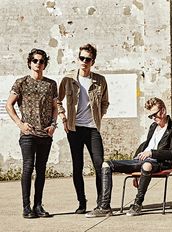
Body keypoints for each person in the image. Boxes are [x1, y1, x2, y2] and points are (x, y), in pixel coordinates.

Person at [85, 97, 172, 217]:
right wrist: (136, 163)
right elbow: (145, 145)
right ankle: (105, 207)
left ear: (163, 111)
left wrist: (152, 153)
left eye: (154, 115)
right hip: (141, 161)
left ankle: (137, 204)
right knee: (106, 165)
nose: (153, 118)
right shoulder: (153, 127)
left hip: (160, 162)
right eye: (150, 116)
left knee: (146, 165)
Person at [5, 49, 58, 218]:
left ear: (45, 64)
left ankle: (38, 206)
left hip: (45, 134)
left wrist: (53, 125)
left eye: (41, 61)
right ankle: (26, 207)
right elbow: (9, 105)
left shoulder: (51, 84)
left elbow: (55, 107)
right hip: (28, 134)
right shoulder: (21, 83)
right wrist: (20, 124)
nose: (38, 64)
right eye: (35, 60)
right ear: (30, 62)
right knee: (28, 168)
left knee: (41, 170)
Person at [57, 43, 109, 214]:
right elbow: (57, 100)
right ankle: (82, 202)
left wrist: (97, 118)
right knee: (77, 167)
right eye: (82, 58)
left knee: (100, 165)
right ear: (78, 58)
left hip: (93, 129)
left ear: (93, 61)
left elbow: (104, 102)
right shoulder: (68, 79)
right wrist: (63, 117)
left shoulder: (100, 80)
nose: (84, 61)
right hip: (74, 129)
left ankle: (102, 203)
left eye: (88, 59)